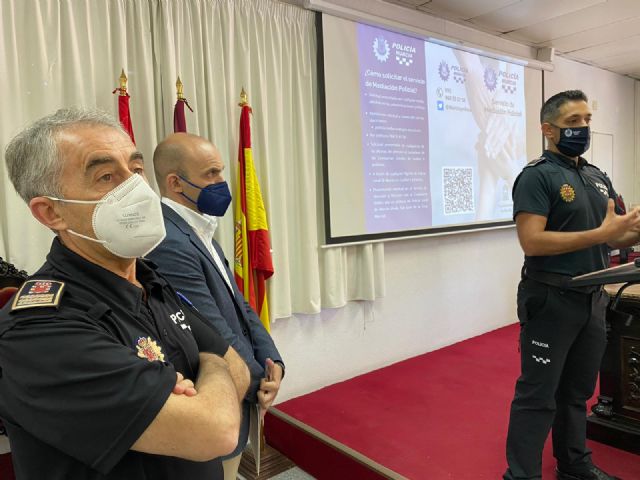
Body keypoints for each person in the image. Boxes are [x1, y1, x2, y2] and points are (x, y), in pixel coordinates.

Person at [0, 108, 251, 480]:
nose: (137, 189)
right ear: (51, 212)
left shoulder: (149, 278)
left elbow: (239, 371)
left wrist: (209, 367)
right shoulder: (36, 329)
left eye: (136, 169)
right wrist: (213, 365)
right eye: (106, 176)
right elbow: (215, 431)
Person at [503, 90, 640, 480]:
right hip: (551, 298)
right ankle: (522, 475)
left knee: (577, 393)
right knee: (538, 394)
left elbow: (614, 238)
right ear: (548, 130)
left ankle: (574, 465)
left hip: (593, 299)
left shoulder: (597, 177)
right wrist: (602, 234)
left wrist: (630, 232)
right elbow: (532, 241)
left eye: (587, 120)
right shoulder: (536, 176)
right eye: (573, 121)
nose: (583, 128)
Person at [148, 132, 284, 480]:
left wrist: (274, 362)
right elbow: (210, 326)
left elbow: (240, 307)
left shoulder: (198, 227)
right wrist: (259, 383)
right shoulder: (168, 240)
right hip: (218, 390)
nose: (222, 182)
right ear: (175, 183)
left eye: (220, 171)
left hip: (240, 382)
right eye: (211, 174)